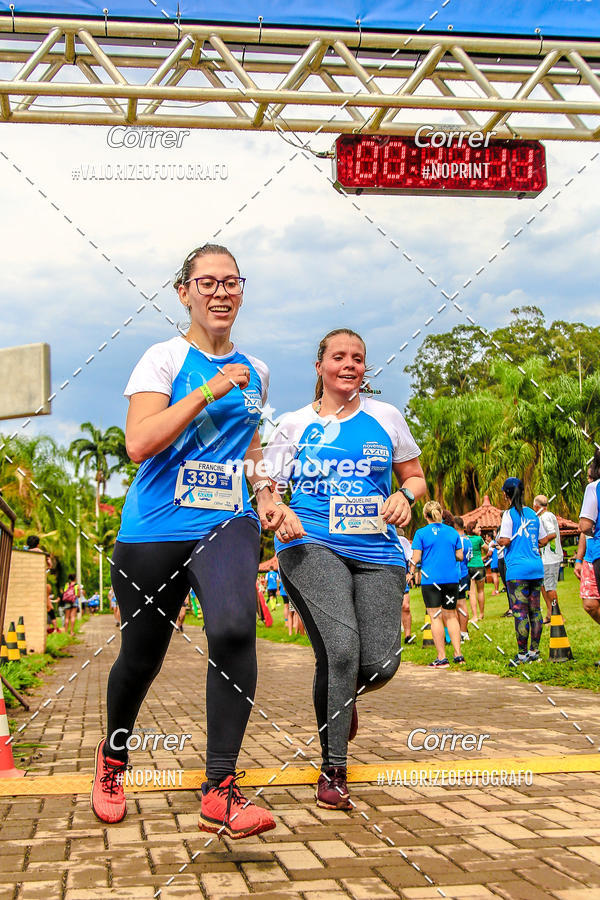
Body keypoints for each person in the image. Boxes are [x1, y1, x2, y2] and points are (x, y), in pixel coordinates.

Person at [90, 243, 284, 837]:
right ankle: (112, 759)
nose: (221, 292)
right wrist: (209, 389)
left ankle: (219, 788)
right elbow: (139, 443)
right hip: (153, 527)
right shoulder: (164, 358)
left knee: (233, 628)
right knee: (141, 657)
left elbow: (250, 446)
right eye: (208, 282)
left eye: (232, 282)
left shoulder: (258, 371)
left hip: (225, 520)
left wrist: (265, 491)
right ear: (184, 292)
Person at [263, 328, 426, 810]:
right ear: (320, 366)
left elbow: (415, 476)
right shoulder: (293, 425)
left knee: (379, 665)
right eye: (338, 357)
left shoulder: (386, 417)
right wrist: (278, 509)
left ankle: (342, 697)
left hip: (378, 550)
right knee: (340, 650)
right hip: (310, 543)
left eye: (358, 357)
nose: (349, 364)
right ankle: (334, 769)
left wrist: (405, 496)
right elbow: (266, 486)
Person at [498, 478, 548, 665]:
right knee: (535, 611)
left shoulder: (509, 514)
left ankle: (522, 655)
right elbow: (542, 540)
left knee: (520, 613)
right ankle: (534, 651)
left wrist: (499, 542)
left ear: (506, 495)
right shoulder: (533, 514)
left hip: (518, 570)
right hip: (536, 567)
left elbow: (505, 540)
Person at [411, 502, 464, 667]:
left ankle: (442, 657)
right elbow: (460, 556)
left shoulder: (421, 533)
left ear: (425, 515)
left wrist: (410, 572)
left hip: (431, 579)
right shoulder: (452, 532)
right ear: (441, 513)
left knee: (435, 617)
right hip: (451, 579)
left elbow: (416, 558)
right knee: (451, 616)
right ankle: (458, 655)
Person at [578, 449, 600, 663]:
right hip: (591, 556)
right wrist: (578, 558)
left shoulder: (594, 488)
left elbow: (585, 525)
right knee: (590, 603)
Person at [533, 494, 563, 625]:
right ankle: (550, 614)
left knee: (550, 588)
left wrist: (539, 543)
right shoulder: (543, 517)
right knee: (543, 586)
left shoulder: (546, 517)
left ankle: (558, 616)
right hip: (545, 558)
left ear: (536, 506)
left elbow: (552, 533)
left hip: (551, 558)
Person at [453, 516, 472, 642]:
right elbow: (469, 557)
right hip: (465, 572)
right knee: (462, 602)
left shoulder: (458, 540)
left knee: (457, 604)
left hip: (458, 573)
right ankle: (463, 631)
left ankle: (462, 632)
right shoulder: (468, 540)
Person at [466, 521, 488, 622]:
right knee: (481, 591)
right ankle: (481, 614)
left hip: (469, 567)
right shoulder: (479, 539)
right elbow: (487, 549)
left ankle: (474, 616)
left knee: (472, 592)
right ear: (473, 529)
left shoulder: (465, 539)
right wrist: (484, 555)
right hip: (479, 566)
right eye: (478, 527)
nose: (480, 529)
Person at [396, 526, 413, 644]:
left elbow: (411, 558)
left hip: (402, 578)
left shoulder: (403, 541)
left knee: (405, 606)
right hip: (387, 577)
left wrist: (410, 573)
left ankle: (408, 636)